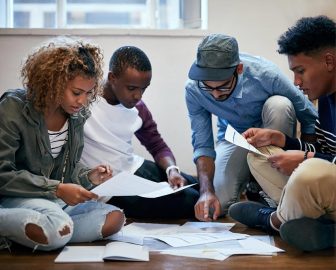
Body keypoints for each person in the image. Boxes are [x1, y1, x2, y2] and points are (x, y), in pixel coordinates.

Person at [0, 37, 125, 251]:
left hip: (51, 202)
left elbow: (65, 170)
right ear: (52, 82)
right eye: (76, 93)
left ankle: (37, 232)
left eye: (88, 93)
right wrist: (57, 189)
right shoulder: (13, 107)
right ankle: (45, 229)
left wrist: (89, 176)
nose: (83, 101)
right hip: (16, 197)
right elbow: (2, 174)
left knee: (115, 217)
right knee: (56, 228)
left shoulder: (76, 116)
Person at [229, 15, 336, 251]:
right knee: (260, 154)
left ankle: (273, 220)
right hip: (327, 189)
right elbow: (326, 151)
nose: (296, 82)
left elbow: (321, 164)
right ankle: (321, 226)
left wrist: (307, 160)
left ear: (329, 61)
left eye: (300, 71)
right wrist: (284, 141)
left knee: (311, 172)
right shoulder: (326, 99)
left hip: (323, 181)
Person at [186, 33, 318, 221]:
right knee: (218, 204)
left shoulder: (266, 75)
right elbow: (202, 145)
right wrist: (206, 191)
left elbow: (307, 114)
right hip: (235, 137)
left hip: (272, 131)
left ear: (238, 69)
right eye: (209, 88)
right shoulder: (193, 90)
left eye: (223, 87)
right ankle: (253, 191)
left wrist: (309, 162)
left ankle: (267, 190)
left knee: (280, 105)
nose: (215, 95)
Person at [81, 46, 199, 218]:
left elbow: (157, 145)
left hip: (132, 166)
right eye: (131, 88)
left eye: (143, 89)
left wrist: (172, 170)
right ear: (112, 78)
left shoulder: (138, 108)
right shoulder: (83, 101)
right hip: (109, 186)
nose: (138, 96)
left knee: (199, 185)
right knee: (192, 201)